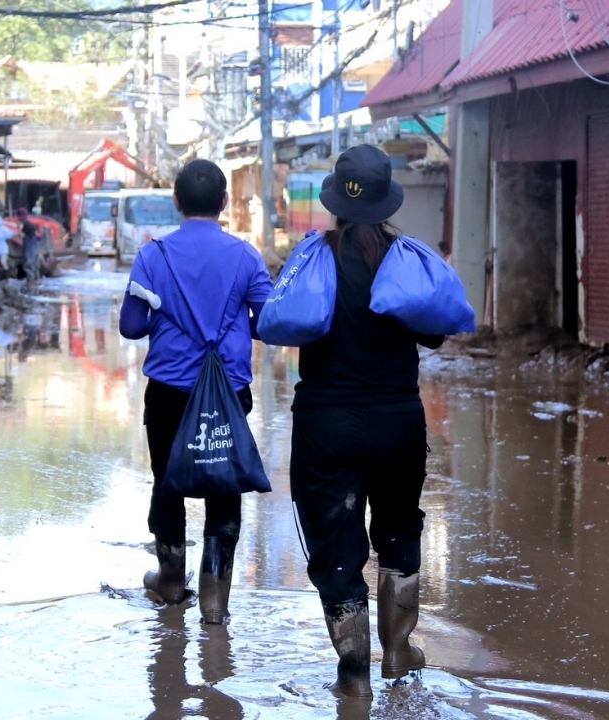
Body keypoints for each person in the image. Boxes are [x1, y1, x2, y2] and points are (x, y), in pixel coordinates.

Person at [289, 144, 444, 698]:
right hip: (396, 420)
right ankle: (399, 650)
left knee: (336, 541)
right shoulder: (405, 258)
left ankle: (352, 668)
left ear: (334, 201)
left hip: (325, 422)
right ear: (385, 201)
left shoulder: (313, 256)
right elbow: (436, 330)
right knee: (400, 526)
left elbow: (287, 321)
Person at [119, 159, 272, 625]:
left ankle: (169, 580)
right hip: (228, 393)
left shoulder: (153, 256)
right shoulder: (245, 257)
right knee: (223, 488)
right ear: (224, 203)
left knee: (168, 484)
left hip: (167, 392)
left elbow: (130, 326)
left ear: (176, 202)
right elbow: (268, 322)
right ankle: (214, 601)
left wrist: (163, 321)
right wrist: (233, 328)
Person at [16, 208, 40, 282]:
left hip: (29, 245)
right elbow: (37, 235)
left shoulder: (24, 225)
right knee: (35, 264)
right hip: (35, 245)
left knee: (28, 263)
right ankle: (36, 280)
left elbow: (22, 236)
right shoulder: (31, 224)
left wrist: (19, 229)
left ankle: (30, 282)